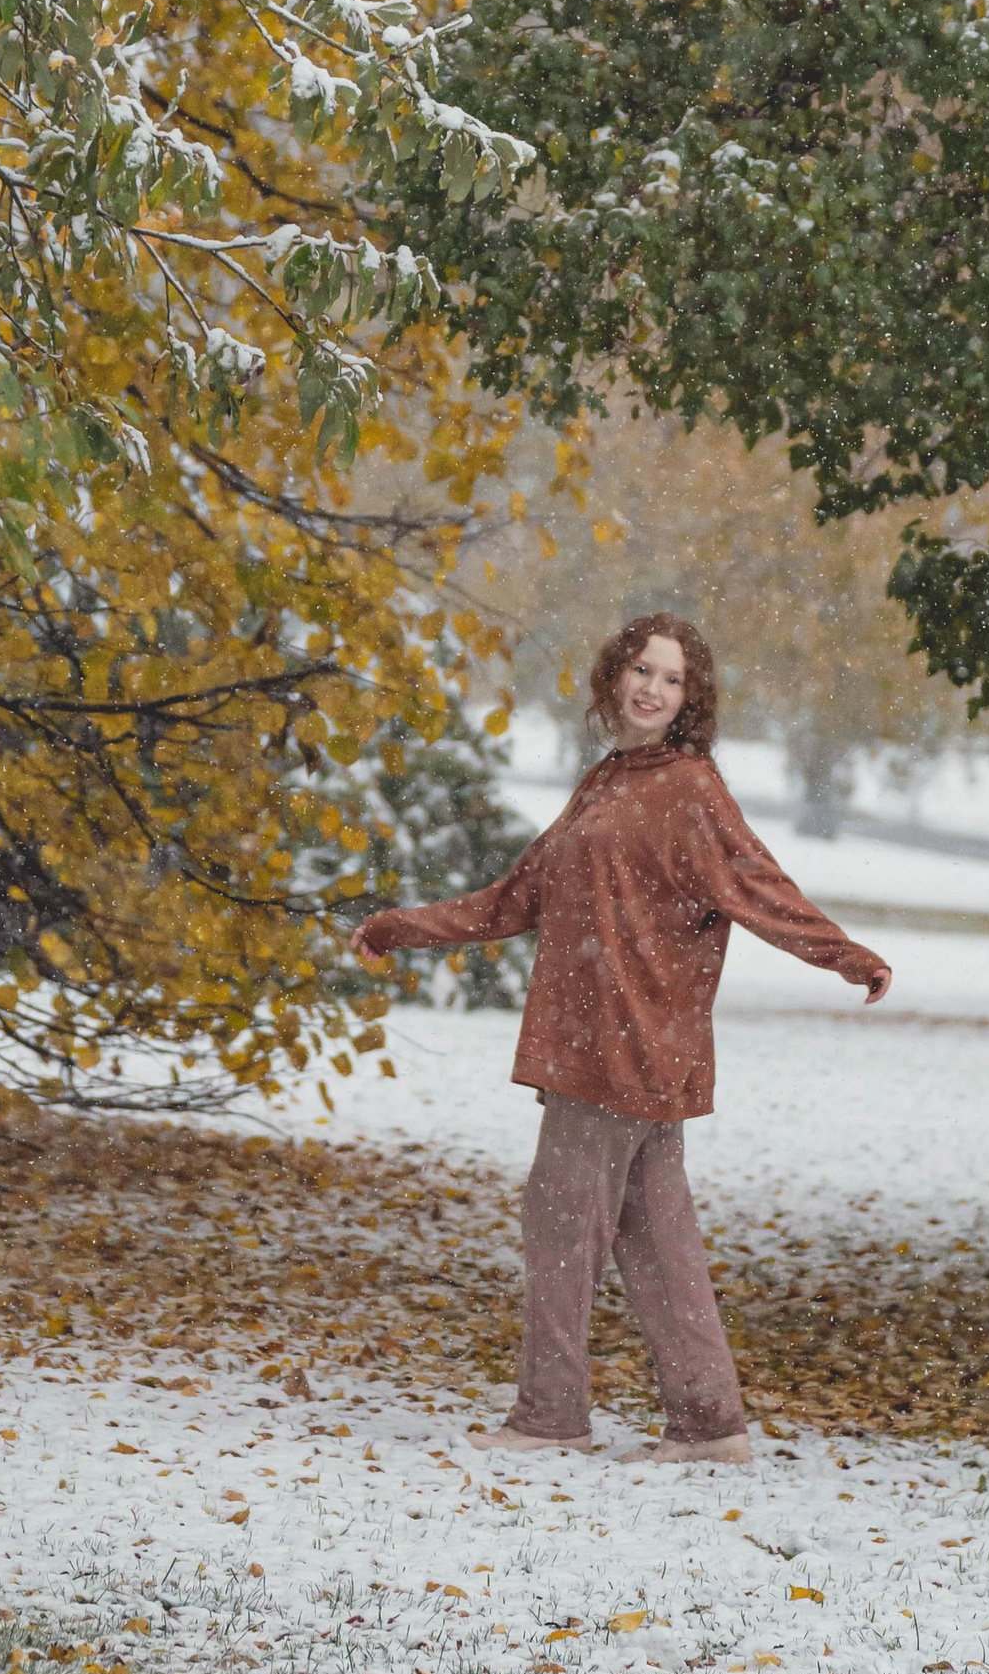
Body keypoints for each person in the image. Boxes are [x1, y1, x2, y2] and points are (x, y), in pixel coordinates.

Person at [349, 616, 891, 1467]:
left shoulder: (688, 788)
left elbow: (756, 885)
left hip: (624, 1046)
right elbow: (517, 897)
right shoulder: (608, 780)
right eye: (642, 670)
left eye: (672, 679)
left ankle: (550, 1416)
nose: (652, 689)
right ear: (615, 675)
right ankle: (711, 1424)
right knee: (656, 1237)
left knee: (560, 1224)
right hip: (612, 1046)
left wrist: (844, 955)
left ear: (690, 698)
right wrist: (400, 928)